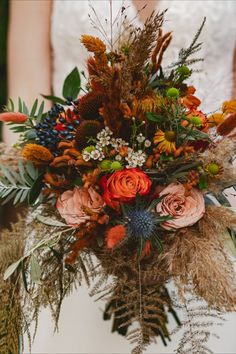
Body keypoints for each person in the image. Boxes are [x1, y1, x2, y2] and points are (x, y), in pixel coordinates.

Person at [5, 1, 236, 353]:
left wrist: (191, 186)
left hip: (213, 208)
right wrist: (87, 201)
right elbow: (25, 95)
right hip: (71, 214)